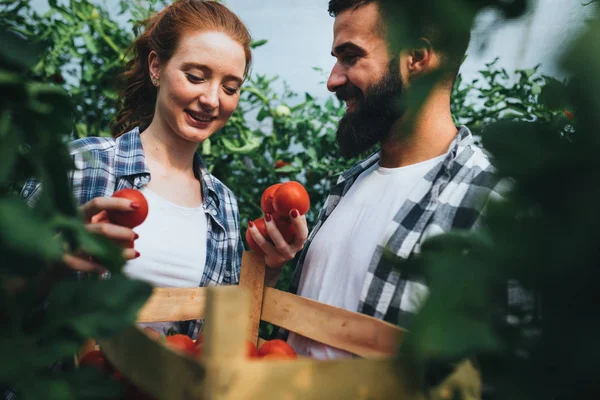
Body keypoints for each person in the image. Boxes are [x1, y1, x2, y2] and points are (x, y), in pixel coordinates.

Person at [20, 0, 308, 338]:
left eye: (230, 88)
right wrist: (50, 265)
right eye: (196, 77)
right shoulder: (80, 165)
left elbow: (220, 334)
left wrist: (269, 270)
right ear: (156, 67)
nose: (212, 99)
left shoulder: (223, 204)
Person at [276, 0, 507, 359]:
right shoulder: (348, 185)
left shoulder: (492, 204)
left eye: (350, 57)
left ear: (416, 58)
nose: (332, 80)